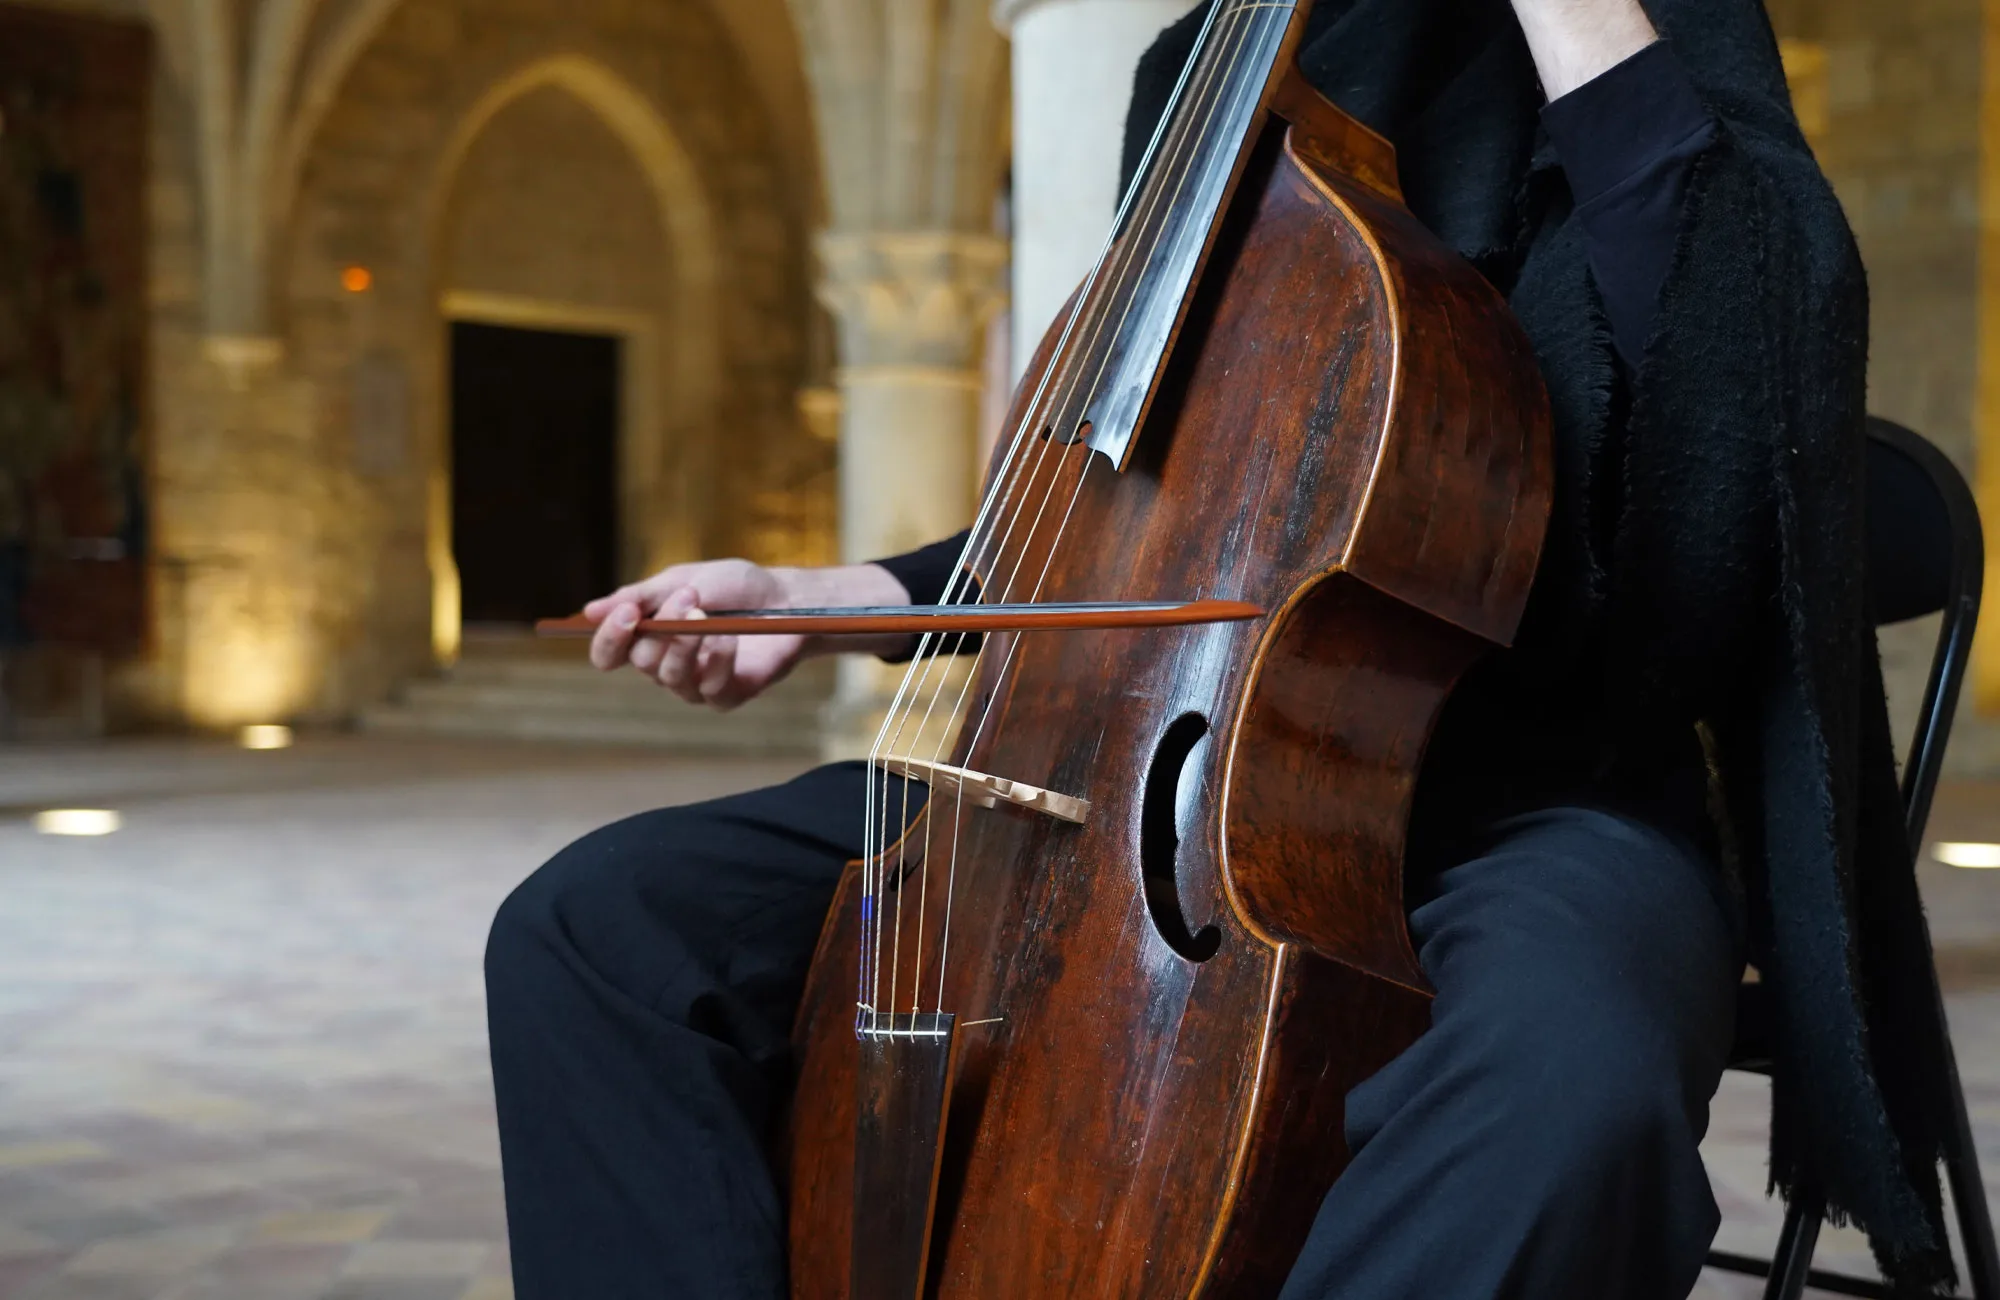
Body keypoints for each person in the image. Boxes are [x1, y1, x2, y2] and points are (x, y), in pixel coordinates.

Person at [483, 0, 1959, 1295]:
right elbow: (1149, 491)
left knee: (1573, 1090)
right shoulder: (1201, 67)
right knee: (602, 930)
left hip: (1538, 788)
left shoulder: (1642, 32)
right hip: (1155, 763)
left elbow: (1748, 400)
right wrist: (837, 595)